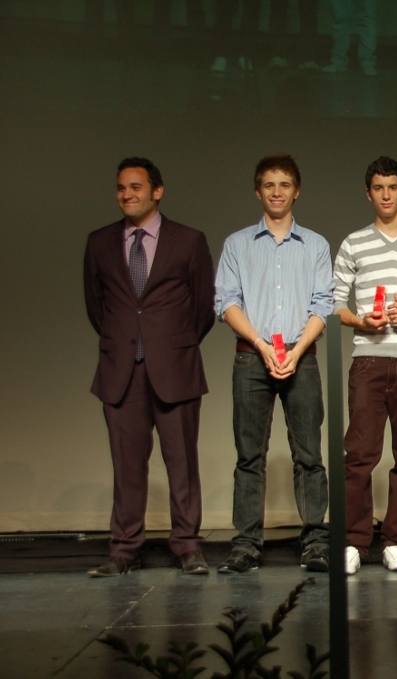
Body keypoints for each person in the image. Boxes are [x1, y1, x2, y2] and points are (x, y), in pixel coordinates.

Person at [84, 157, 215, 577]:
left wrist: (171, 345)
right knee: (126, 465)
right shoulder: (100, 242)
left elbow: (202, 308)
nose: (127, 194)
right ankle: (123, 549)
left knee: (182, 463)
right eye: (121, 188)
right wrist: (125, 343)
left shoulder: (188, 240)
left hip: (175, 367)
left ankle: (188, 546)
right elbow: (97, 308)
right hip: (121, 370)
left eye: (136, 187)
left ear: (157, 191)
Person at [214, 154, 333, 573]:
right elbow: (226, 301)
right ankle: (246, 545)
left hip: (302, 360)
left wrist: (295, 351)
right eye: (269, 185)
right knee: (249, 456)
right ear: (258, 191)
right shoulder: (238, 244)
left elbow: (323, 304)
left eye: (285, 185)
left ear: (296, 191)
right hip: (251, 360)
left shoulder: (316, 245)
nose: (277, 192)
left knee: (310, 456)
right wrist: (263, 346)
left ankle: (316, 542)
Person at [333, 157, 397, 574]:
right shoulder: (354, 242)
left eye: (393, 187)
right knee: (358, 455)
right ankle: (355, 542)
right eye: (378, 188)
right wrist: (361, 320)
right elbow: (336, 302)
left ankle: (396, 541)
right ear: (369, 192)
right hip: (368, 360)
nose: (387, 194)